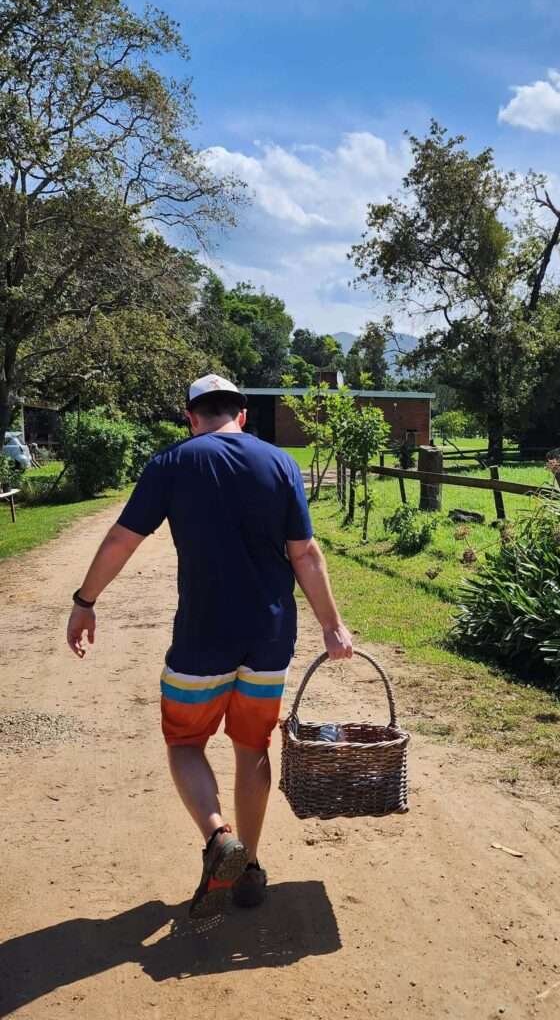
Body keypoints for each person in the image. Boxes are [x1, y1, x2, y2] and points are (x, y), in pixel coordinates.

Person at [66, 374, 353, 921]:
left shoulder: (173, 462)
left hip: (201, 638)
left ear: (191, 417)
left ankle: (219, 836)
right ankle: (249, 869)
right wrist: (333, 626)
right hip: (269, 638)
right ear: (241, 415)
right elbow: (306, 554)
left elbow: (122, 539)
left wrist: (85, 600)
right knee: (252, 749)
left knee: (184, 742)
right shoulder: (281, 464)